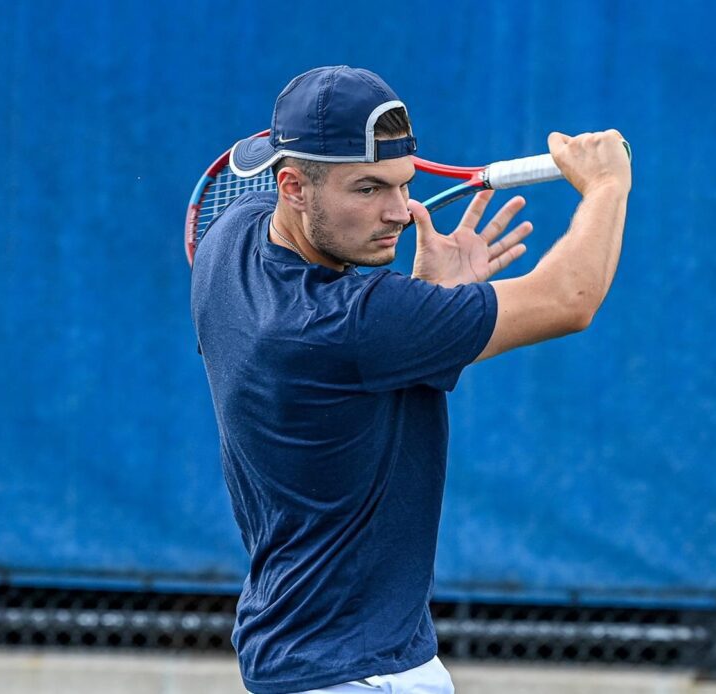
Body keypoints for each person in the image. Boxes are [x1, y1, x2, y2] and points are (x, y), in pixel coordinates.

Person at [191, 65, 630, 694]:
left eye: (404, 182)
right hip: (361, 677)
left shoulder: (229, 240)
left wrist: (428, 301)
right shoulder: (355, 324)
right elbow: (571, 298)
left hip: (303, 660)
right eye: (367, 189)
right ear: (291, 186)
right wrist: (608, 186)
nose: (400, 212)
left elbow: (366, 352)